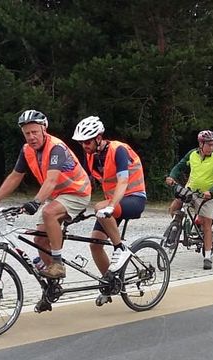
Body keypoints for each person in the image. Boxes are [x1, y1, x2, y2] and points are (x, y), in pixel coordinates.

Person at [0, 110, 91, 279]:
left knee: (48, 212)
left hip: (77, 192)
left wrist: (36, 202)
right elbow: (15, 177)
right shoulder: (27, 150)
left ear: (43, 130)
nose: (31, 137)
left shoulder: (56, 148)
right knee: (39, 240)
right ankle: (52, 285)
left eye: (34, 132)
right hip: (57, 196)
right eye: (27, 133)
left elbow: (51, 180)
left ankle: (58, 264)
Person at [72, 116, 147, 288]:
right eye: (82, 143)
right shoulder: (91, 156)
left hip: (134, 198)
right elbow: (83, 182)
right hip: (114, 205)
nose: (84, 146)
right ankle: (112, 283)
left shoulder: (118, 149)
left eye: (87, 142)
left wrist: (111, 206)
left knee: (100, 206)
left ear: (99, 138)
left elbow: (123, 181)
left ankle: (120, 249)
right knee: (95, 244)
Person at [165, 130, 213, 270]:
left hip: (206, 196)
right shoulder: (192, 154)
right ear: (201, 144)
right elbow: (179, 166)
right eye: (210, 144)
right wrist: (171, 176)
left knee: (206, 225)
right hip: (190, 190)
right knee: (174, 208)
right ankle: (176, 228)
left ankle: (207, 256)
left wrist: (211, 191)